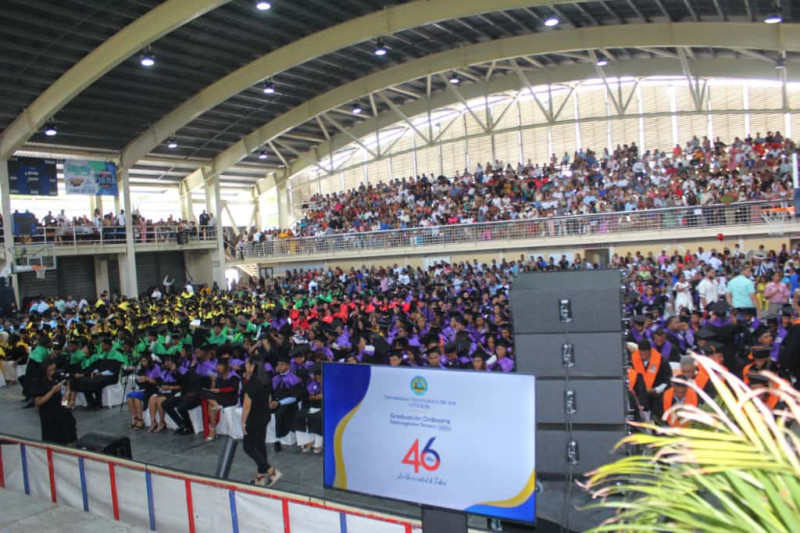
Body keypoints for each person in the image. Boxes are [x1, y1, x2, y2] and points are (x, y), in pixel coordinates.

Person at [242, 357, 281, 486]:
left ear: (253, 366)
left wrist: (243, 422)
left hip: (254, 417)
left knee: (248, 447)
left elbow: (247, 405)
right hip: (264, 415)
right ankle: (260, 477)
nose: (245, 365)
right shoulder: (266, 380)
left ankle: (271, 471)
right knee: (259, 445)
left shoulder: (251, 384)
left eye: (247, 363)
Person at [30, 358, 77, 444]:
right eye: (49, 370)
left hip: (61, 409)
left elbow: (65, 390)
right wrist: (52, 391)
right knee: (54, 437)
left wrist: (66, 397)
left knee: (68, 429)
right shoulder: (38, 382)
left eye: (54, 369)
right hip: (49, 413)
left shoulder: (56, 377)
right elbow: (38, 402)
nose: (52, 372)